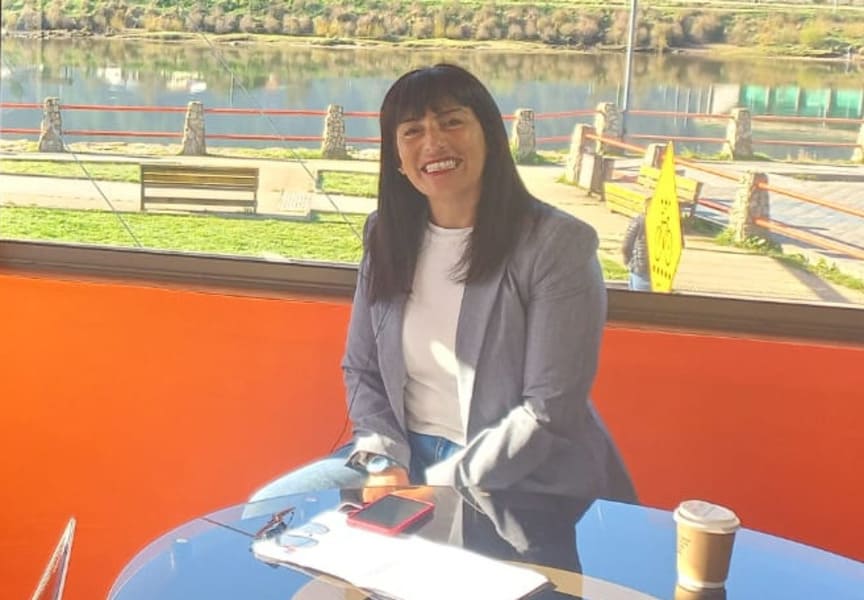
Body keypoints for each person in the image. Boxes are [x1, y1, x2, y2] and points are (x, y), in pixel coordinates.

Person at [247, 64, 635, 511]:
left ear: (490, 136)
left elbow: (548, 413)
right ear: (396, 157)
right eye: (412, 131)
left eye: (452, 122)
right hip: (401, 454)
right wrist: (384, 460)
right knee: (268, 509)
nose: (433, 143)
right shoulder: (386, 235)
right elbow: (362, 368)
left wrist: (440, 486)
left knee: (438, 547)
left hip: (518, 476)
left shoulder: (556, 245)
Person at [621, 208, 652, 291]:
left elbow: (626, 245)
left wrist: (627, 260)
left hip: (640, 267)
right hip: (653, 270)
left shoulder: (639, 220)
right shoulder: (668, 222)